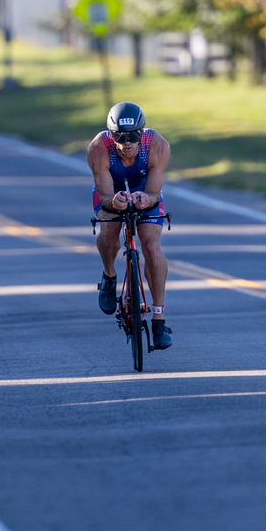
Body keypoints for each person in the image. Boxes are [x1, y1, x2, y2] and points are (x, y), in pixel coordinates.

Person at [88, 101, 172, 349]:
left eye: (134, 135)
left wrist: (147, 198)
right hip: (111, 192)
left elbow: (155, 193)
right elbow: (104, 197)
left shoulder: (158, 146)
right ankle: (109, 276)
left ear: (142, 132)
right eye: (121, 136)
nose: (127, 142)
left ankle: (158, 320)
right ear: (111, 135)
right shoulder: (97, 149)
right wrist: (113, 201)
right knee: (109, 231)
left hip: (145, 191)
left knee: (151, 246)